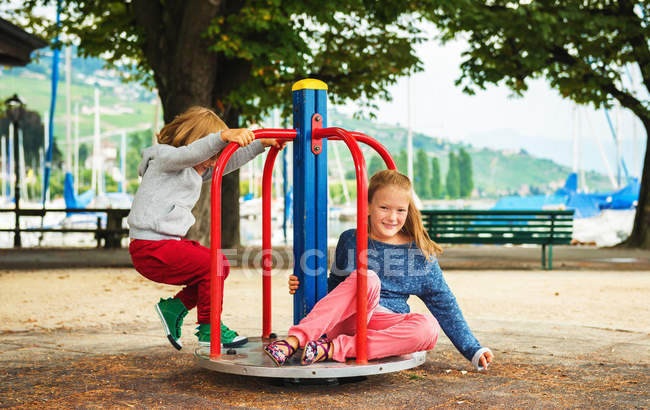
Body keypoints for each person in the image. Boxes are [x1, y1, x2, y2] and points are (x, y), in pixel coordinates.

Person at [265, 169, 494, 370]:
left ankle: (333, 349)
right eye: (384, 208)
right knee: (368, 278)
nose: (392, 217)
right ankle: (294, 342)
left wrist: (472, 349)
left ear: (408, 210)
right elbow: (335, 288)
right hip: (348, 320)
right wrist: (306, 283)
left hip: (383, 329)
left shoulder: (419, 253)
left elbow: (444, 303)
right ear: (367, 207)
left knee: (428, 328)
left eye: (400, 210)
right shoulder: (351, 240)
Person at [128, 106, 284, 351]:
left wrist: (260, 143)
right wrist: (221, 137)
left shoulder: (192, 169)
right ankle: (209, 328)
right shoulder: (165, 159)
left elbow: (226, 163)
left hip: (165, 244)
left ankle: (173, 309)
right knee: (215, 265)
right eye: (211, 153)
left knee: (215, 269)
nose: (213, 161)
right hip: (151, 247)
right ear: (195, 142)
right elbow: (191, 153)